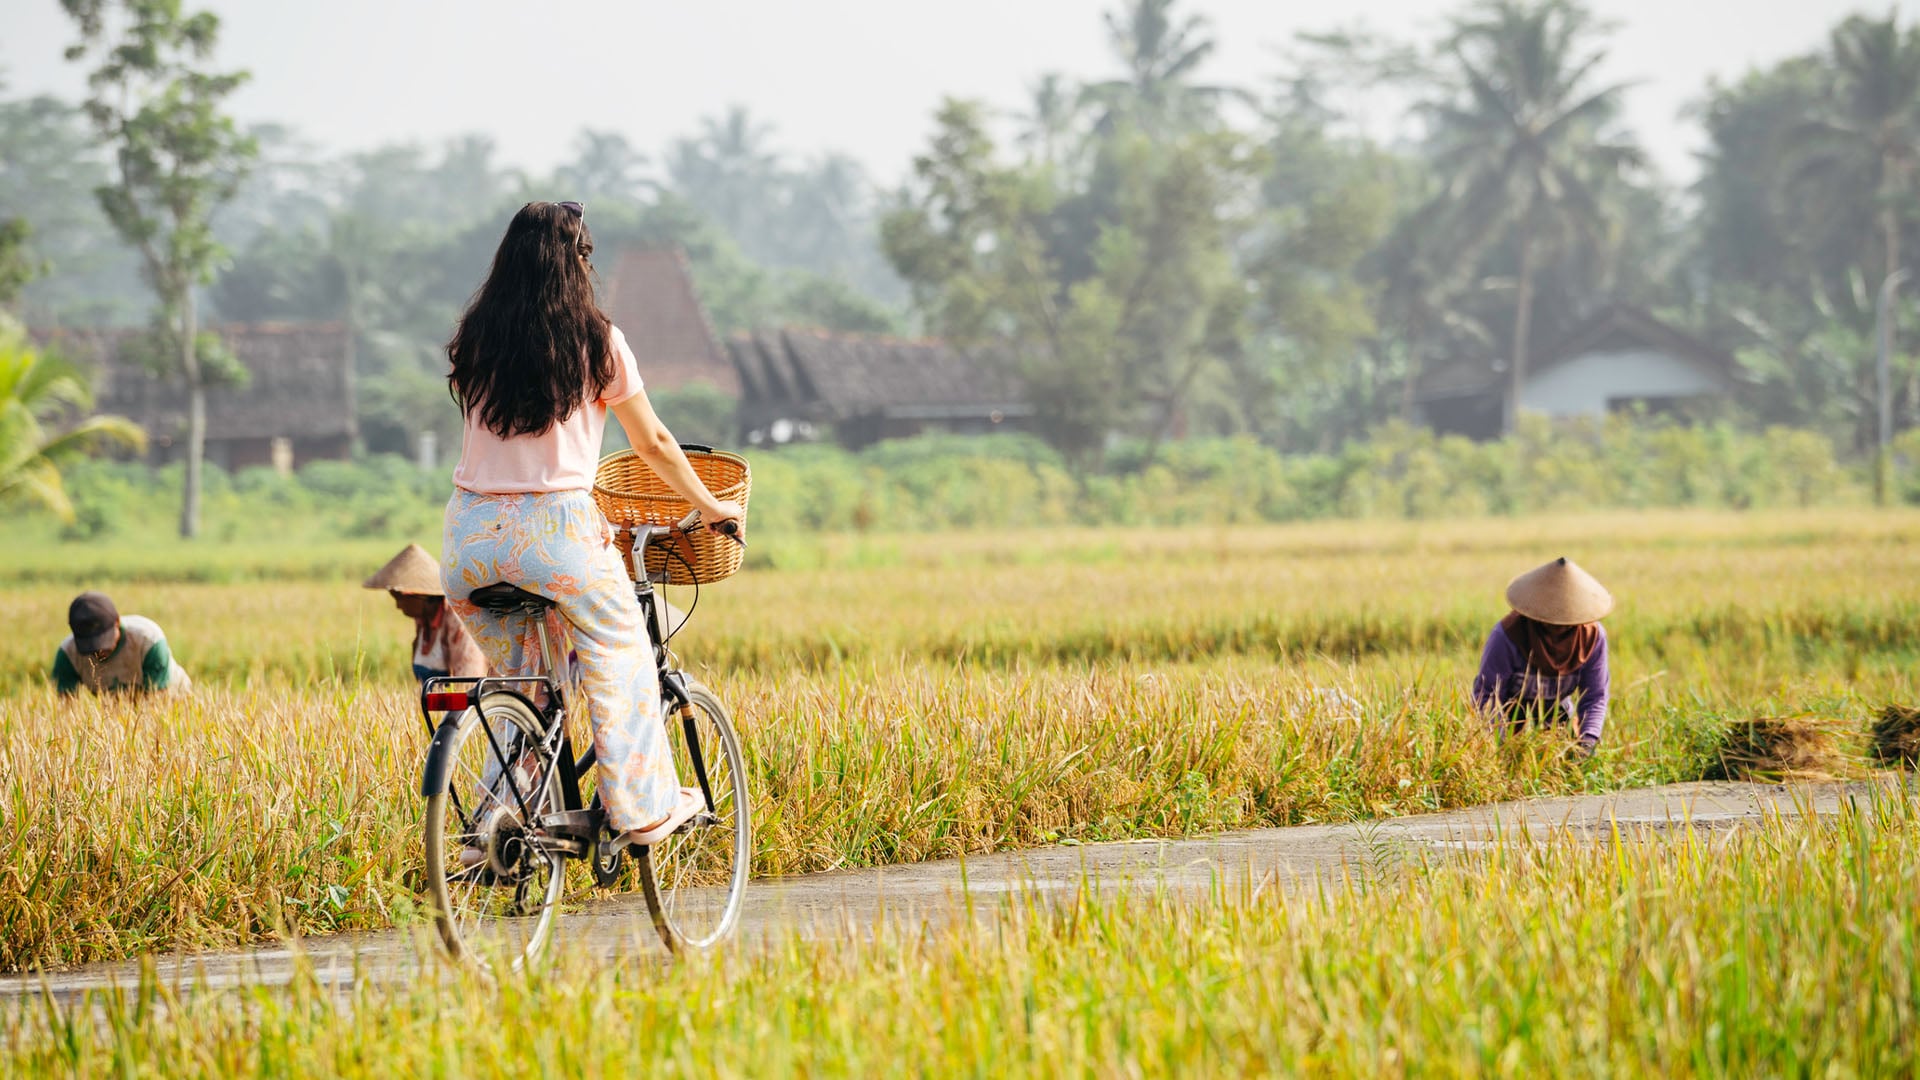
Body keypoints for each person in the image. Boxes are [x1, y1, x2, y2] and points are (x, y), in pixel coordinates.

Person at [441, 200, 743, 850]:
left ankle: (499, 819)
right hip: (557, 535)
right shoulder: (596, 341)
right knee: (621, 650)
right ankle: (642, 811)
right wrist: (711, 506)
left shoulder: (476, 338)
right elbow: (655, 443)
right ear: (579, 263)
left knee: (523, 684)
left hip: (468, 539)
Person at [1471, 557, 1612, 758]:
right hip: (1509, 710)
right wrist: (1501, 747)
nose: (1559, 629)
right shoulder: (1508, 635)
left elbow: (1595, 696)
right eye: (1552, 622)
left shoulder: (1592, 638)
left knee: (1565, 761)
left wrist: (1587, 742)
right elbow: (1487, 696)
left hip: (1557, 710)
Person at [363, 543, 487, 682]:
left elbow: (468, 683)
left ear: (421, 596)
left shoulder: (459, 622)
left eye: (400, 598)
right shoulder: (422, 621)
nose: (398, 606)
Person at [51, 591, 193, 696]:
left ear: (117, 622)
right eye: (91, 647)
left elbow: (156, 704)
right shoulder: (68, 654)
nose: (99, 651)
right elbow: (66, 707)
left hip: (174, 700)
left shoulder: (148, 641)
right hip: (118, 714)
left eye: (103, 641)